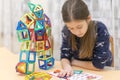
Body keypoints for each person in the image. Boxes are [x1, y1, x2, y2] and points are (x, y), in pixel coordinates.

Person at [59, 0, 112, 77]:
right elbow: (64, 56)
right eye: (71, 28)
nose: (76, 32)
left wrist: (73, 62)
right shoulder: (66, 31)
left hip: (104, 72)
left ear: (88, 18)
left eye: (79, 27)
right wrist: (67, 66)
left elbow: (98, 66)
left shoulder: (100, 29)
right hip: (80, 70)